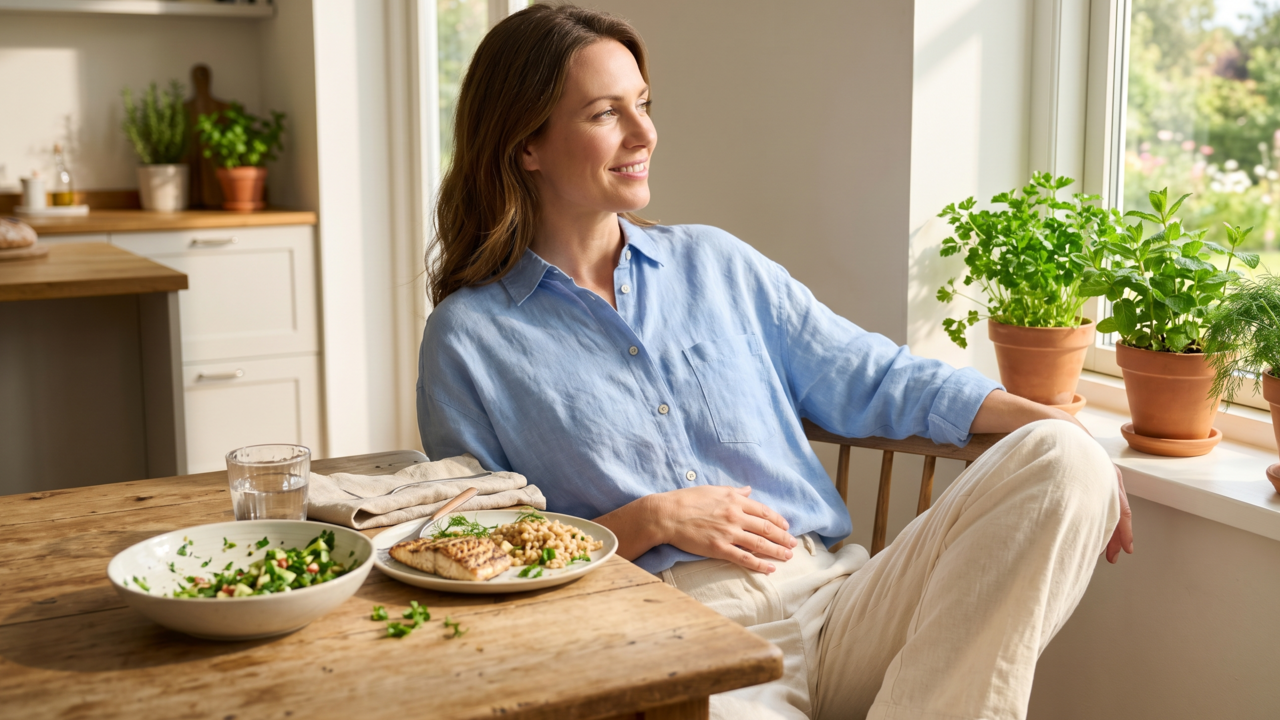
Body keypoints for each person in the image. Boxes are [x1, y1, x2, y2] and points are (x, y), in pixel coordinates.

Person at [417, 5, 1133, 719]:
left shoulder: (718, 265)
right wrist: (647, 520)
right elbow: (480, 553)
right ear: (526, 146)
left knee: (1065, 457)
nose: (645, 134)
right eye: (607, 114)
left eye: (643, 104)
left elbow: (875, 377)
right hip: (673, 640)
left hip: (836, 600)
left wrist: (1053, 429)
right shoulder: (470, 338)